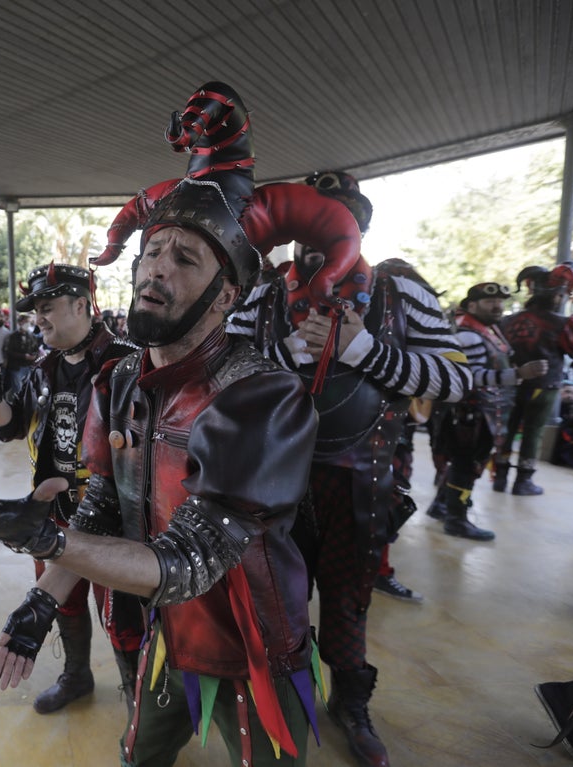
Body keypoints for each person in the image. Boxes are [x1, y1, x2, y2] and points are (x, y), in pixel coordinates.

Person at [0, 81, 324, 765]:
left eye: (185, 259)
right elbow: (100, 507)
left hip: (257, 648)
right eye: (152, 251)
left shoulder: (264, 397)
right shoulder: (118, 380)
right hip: (168, 635)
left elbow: (193, 559)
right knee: (138, 756)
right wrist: (39, 605)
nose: (156, 269)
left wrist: (44, 537)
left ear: (227, 293)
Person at [227, 169, 471, 767]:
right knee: (276, 599)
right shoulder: (262, 291)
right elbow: (219, 377)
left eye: (339, 220)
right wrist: (285, 355)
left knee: (348, 597)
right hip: (275, 475)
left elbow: (458, 379)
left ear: (359, 227)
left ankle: (350, 703)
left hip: (360, 476)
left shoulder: (400, 291)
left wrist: (364, 351)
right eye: (314, 218)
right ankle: (284, 701)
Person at [0, 262, 140, 715]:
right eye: (36, 312)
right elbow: (10, 428)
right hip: (50, 515)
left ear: (81, 305)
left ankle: (137, 700)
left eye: (47, 308)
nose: (39, 319)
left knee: (120, 613)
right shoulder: (43, 367)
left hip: (113, 518)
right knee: (60, 604)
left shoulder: (128, 362)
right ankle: (76, 676)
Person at [425, 282, 547, 540]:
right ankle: (456, 519)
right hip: (470, 413)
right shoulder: (469, 334)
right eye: (490, 302)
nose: (498, 306)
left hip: (482, 411)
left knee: (464, 462)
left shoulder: (488, 330)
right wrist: (518, 374)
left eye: (501, 302)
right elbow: (472, 376)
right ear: (471, 305)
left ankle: (442, 505)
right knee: (466, 465)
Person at [497, 262, 573, 495]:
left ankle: (500, 476)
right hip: (544, 387)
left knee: (507, 429)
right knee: (533, 433)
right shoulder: (565, 323)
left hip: (510, 385)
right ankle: (523, 481)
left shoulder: (508, 321)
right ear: (558, 297)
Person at [2, 313, 40, 394]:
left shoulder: (31, 335)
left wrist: (34, 356)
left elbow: (36, 348)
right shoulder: (12, 336)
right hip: (17, 368)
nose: (28, 324)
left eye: (29, 322)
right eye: (26, 322)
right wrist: (24, 356)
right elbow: (8, 351)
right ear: (20, 323)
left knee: (29, 389)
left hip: (29, 366)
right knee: (19, 390)